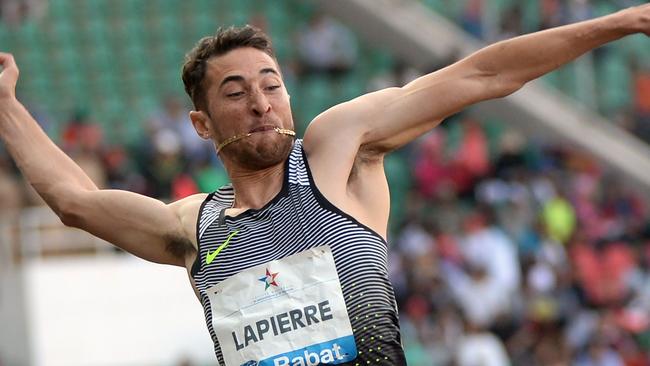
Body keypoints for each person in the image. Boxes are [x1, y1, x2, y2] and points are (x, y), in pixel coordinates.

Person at [1, 5, 649, 365]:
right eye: (236, 92)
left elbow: (479, 76)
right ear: (200, 123)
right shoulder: (191, 227)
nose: (261, 103)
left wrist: (616, 23)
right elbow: (76, 203)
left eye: (271, 85)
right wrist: (5, 101)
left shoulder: (336, 154)